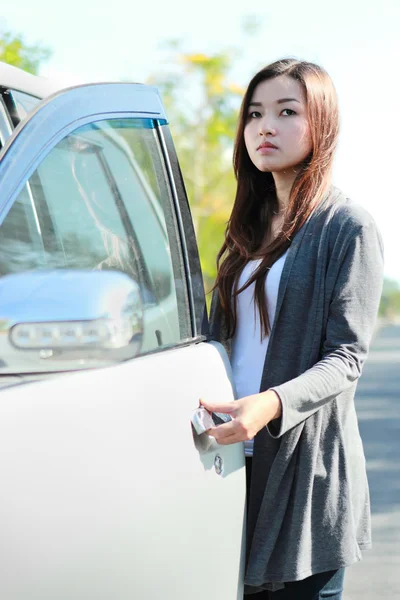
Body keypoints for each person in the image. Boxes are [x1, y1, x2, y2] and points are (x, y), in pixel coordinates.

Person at [200, 58, 384, 599]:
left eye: (286, 112)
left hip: (304, 475)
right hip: (231, 458)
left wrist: (270, 403)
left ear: (321, 123)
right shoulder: (246, 231)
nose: (265, 127)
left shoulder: (347, 226)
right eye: (254, 114)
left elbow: (347, 357)